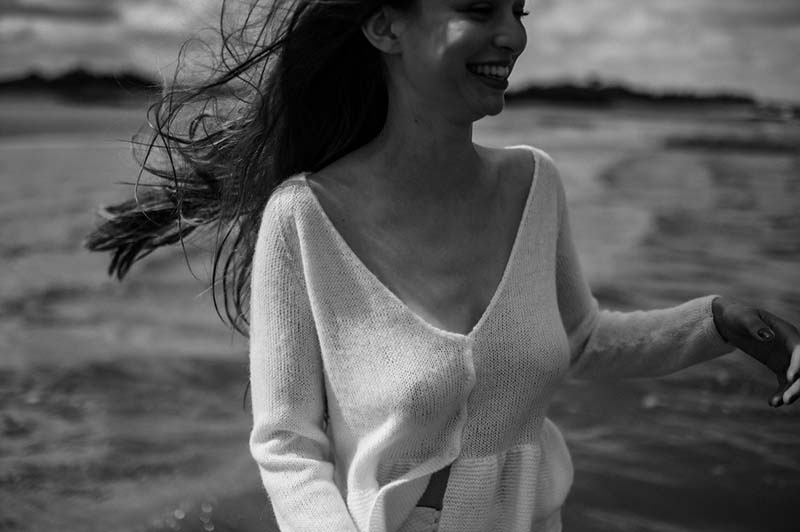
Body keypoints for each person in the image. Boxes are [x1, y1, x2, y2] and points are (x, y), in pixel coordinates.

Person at [85, 0, 800, 531]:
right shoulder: (303, 217)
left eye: (519, 11)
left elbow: (581, 339)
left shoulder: (534, 183)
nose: (512, 34)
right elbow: (287, 446)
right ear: (385, 26)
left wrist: (722, 322)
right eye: (479, 9)